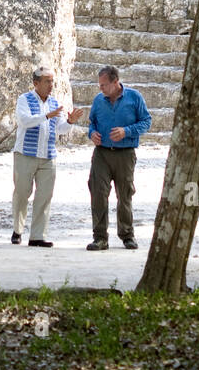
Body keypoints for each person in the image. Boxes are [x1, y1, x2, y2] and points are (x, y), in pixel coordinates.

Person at [11, 65, 83, 248]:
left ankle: (37, 236)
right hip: (25, 154)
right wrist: (46, 116)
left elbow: (60, 129)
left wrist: (70, 122)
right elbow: (24, 121)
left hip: (48, 155)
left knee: (44, 196)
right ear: (36, 83)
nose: (51, 85)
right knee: (22, 193)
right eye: (47, 81)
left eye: (52, 81)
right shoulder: (24, 99)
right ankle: (18, 229)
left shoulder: (54, 102)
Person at [86, 64, 151, 251]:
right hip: (102, 154)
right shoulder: (98, 100)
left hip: (125, 153)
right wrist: (92, 134)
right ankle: (100, 238)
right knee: (98, 192)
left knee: (125, 194)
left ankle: (127, 235)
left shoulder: (134, 97)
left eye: (104, 85)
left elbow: (147, 121)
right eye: (99, 85)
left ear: (116, 82)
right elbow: (92, 124)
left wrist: (127, 131)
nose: (101, 88)